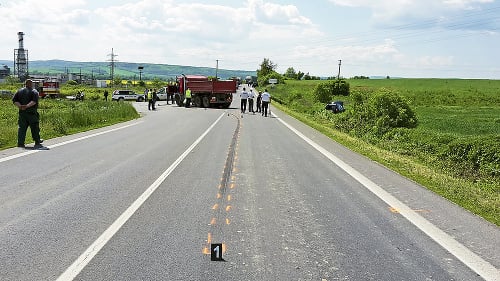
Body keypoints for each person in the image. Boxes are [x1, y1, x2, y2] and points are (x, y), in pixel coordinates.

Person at [12, 79, 44, 149]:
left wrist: (20, 106)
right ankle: (37, 141)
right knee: (34, 127)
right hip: (31, 113)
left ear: (25, 84)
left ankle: (20, 143)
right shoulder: (34, 91)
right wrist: (27, 106)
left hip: (22, 113)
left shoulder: (19, 91)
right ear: (31, 84)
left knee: (22, 128)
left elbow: (14, 100)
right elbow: (34, 101)